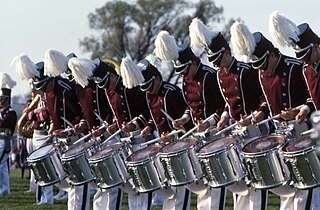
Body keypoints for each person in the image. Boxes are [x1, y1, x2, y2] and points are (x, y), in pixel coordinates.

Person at [230, 21, 317, 210]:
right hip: (282, 134)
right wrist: (261, 112)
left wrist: (301, 109)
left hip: (305, 131)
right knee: (287, 183)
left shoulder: (295, 67)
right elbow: (266, 99)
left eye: (263, 64)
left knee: (306, 186)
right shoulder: (262, 74)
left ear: (271, 55)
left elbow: (312, 97)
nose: (262, 69)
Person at [189, 17, 269, 210]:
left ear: (226, 52)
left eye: (218, 59)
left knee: (257, 182)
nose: (216, 64)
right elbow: (227, 104)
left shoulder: (246, 71)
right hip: (236, 132)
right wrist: (223, 118)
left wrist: (258, 114)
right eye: (213, 60)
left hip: (255, 131)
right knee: (239, 182)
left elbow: (263, 97)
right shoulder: (219, 75)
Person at [67, 56, 153, 210]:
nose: (106, 88)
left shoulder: (129, 86)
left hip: (140, 138)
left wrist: (135, 124)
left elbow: (147, 109)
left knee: (140, 183)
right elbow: (115, 114)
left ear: (113, 76)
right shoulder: (108, 91)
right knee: (129, 185)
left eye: (107, 83)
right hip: (123, 140)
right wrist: (108, 126)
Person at [154, 30, 227, 210]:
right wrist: (183, 119)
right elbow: (191, 106)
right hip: (198, 135)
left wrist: (209, 123)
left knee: (215, 182)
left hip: (214, 133)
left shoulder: (210, 76)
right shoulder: (186, 80)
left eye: (185, 69)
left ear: (194, 63)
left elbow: (222, 105)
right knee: (201, 183)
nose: (183, 74)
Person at [45, 49, 120, 210]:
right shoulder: (79, 88)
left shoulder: (98, 86)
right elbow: (85, 113)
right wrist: (81, 125)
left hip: (109, 135)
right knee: (98, 179)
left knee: (110, 182)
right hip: (92, 138)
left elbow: (112, 110)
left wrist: (105, 126)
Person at [12, 53, 89, 210]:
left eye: (44, 86)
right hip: (63, 140)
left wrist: (78, 126)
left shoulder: (68, 89)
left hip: (78, 139)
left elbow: (83, 113)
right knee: (70, 182)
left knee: (79, 182)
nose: (43, 91)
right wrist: (55, 126)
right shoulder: (48, 92)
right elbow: (57, 116)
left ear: (50, 79)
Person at [120, 55, 194, 210]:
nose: (148, 90)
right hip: (164, 145)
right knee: (169, 189)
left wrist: (181, 122)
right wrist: (148, 127)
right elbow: (153, 116)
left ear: (157, 79)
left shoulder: (171, 92)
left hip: (180, 144)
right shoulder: (149, 95)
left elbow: (188, 111)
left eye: (149, 85)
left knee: (180, 189)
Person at [269, 11, 320, 111]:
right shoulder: (306, 70)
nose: (305, 61)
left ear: (315, 46)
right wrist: (305, 109)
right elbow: (312, 97)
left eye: (306, 57)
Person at [0, 72, 17, 196]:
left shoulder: (11, 113)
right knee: (3, 167)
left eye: (2, 99)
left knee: (2, 166)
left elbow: (3, 126)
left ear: (7, 100)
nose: (0, 102)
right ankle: (4, 190)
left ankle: (4, 189)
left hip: (4, 141)